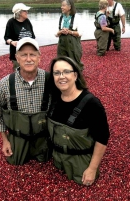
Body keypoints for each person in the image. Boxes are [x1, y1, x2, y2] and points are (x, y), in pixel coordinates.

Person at [47, 56, 110, 186]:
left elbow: (102, 138)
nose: (61, 76)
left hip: (80, 162)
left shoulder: (91, 103)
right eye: (57, 73)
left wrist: (92, 169)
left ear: (75, 75)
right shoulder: (54, 98)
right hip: (58, 159)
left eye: (66, 72)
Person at [0, 37, 51, 165]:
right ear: (17, 58)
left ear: (39, 57)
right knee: (15, 162)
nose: (29, 59)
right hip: (18, 138)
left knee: (49, 161)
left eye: (33, 55)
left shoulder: (50, 80)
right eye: (24, 55)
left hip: (44, 138)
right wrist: (5, 141)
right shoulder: (4, 84)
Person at [4, 3, 35, 71]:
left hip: (29, 52)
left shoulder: (27, 21)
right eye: (25, 11)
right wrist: (12, 42)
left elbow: (33, 36)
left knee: (29, 71)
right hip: (17, 54)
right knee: (18, 72)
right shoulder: (11, 22)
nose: (27, 12)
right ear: (19, 13)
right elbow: (6, 38)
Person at [55, 0, 84, 71]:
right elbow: (56, 34)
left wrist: (70, 32)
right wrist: (61, 31)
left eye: (63, 5)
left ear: (69, 7)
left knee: (75, 61)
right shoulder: (61, 18)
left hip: (73, 44)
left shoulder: (77, 17)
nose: (61, 7)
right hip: (62, 44)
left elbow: (81, 33)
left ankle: (77, 77)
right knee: (61, 61)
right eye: (61, 5)